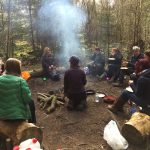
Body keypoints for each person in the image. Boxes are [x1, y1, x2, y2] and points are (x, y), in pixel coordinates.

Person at [0, 58, 36, 123]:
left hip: (2, 116)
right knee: (31, 102)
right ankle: (32, 123)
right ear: (17, 68)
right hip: (18, 117)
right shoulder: (20, 81)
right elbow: (27, 99)